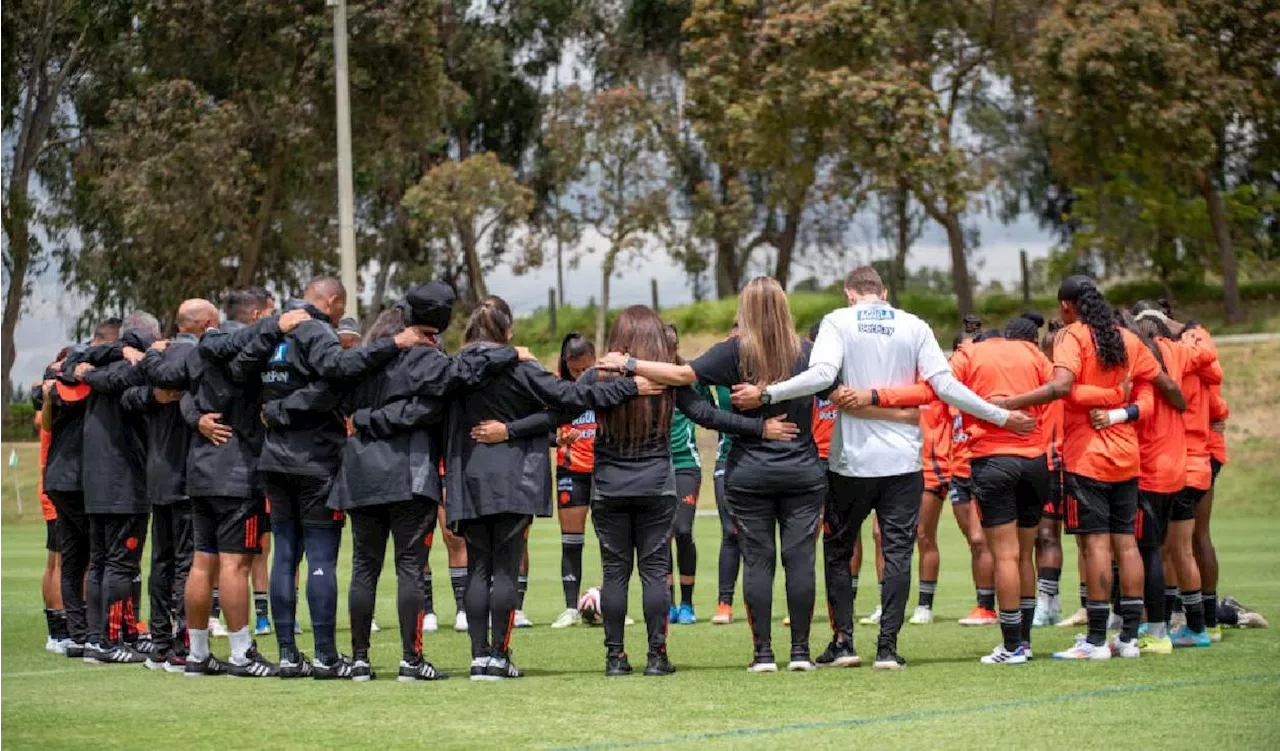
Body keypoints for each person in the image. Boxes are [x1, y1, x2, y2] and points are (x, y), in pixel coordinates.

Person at [742, 267, 1032, 671]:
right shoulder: (913, 324)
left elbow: (822, 375)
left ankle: (843, 642)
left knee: (840, 551)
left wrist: (768, 393)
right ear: (884, 292)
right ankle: (888, 648)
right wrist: (1000, 415)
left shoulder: (837, 321)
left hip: (851, 462)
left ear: (849, 294)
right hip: (903, 461)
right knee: (897, 553)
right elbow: (946, 387)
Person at [604, 278, 838, 673]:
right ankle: (800, 652)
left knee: (759, 562)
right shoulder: (808, 352)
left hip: (749, 473)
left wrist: (629, 363)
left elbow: (684, 383)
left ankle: (763, 655)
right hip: (802, 470)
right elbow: (839, 390)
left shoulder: (734, 351)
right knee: (800, 562)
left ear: (744, 309)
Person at [323, 282, 527, 681]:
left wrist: (367, 419)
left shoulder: (365, 356)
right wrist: (508, 352)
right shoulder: (430, 359)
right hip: (408, 475)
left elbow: (342, 397)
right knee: (410, 569)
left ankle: (360, 659)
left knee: (364, 567)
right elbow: (448, 391)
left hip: (360, 473)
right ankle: (410, 661)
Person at [448, 300, 653, 680]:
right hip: (514, 477)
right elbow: (575, 397)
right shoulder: (521, 369)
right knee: (505, 568)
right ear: (507, 334)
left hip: (468, 474)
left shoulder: (452, 370)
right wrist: (629, 387)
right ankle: (499, 656)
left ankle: (478, 658)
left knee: (478, 566)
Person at [247, 277, 428, 678]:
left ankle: (288, 654)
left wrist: (273, 412)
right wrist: (393, 344)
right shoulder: (314, 329)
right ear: (330, 302)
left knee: (284, 556)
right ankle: (327, 655)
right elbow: (339, 373)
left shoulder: (271, 332)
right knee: (322, 558)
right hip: (314, 459)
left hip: (273, 459)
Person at [996, 276, 1184, 661]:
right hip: (1127, 457)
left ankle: (1097, 641)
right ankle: (1128, 639)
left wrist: (1011, 402)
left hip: (1087, 457)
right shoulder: (1129, 340)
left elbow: (1062, 386)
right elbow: (1161, 387)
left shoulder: (1071, 337)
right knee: (1126, 544)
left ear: (1066, 306)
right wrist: (1119, 398)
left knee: (1094, 545)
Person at [178, 288, 304, 676]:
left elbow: (181, 391)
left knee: (203, 564)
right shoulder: (244, 347)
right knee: (236, 566)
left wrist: (194, 417)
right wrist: (278, 328)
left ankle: (198, 654)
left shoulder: (198, 351)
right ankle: (240, 653)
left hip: (201, 470)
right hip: (237, 472)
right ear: (253, 317)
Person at [948, 317, 1053, 664]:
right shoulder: (1031, 352)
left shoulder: (969, 355)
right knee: (1025, 555)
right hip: (1036, 460)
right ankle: (1023, 641)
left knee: (1005, 556)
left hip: (993, 461)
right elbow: (1057, 388)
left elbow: (942, 389)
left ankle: (1010, 647)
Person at [64, 311, 162, 664]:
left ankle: (102, 637)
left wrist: (87, 370)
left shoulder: (94, 361)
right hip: (125, 481)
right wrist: (124, 355)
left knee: (102, 563)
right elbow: (121, 374)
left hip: (96, 481)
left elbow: (71, 362)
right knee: (120, 564)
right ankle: (108, 640)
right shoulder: (138, 363)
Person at [132, 299, 220, 671]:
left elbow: (127, 392)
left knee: (161, 561)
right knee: (188, 562)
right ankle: (184, 643)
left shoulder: (158, 357)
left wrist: (150, 388)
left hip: (158, 474)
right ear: (206, 323)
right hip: (188, 475)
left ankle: (159, 643)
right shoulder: (199, 359)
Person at [42, 322, 117, 660]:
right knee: (95, 557)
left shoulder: (58, 380)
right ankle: (96, 631)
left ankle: (77, 632)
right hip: (82, 480)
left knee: (72, 558)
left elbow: (42, 399)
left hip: (58, 478)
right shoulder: (92, 382)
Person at [664, 323, 712, 626]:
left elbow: (708, 410)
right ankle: (667, 602)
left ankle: (688, 603)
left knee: (682, 529)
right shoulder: (647, 376)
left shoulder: (690, 377)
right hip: (654, 464)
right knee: (662, 534)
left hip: (685, 464)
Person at [550, 332, 597, 629]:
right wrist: (559, 437)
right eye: (575, 370)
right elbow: (544, 427)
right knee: (571, 541)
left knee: (611, 541)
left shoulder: (607, 380)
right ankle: (570, 608)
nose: (581, 376)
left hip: (605, 469)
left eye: (585, 370)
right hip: (571, 470)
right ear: (566, 365)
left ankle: (613, 602)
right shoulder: (555, 386)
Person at [33, 369, 69, 653]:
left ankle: (56, 629)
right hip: (57, 486)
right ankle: (59, 632)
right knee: (60, 561)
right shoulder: (53, 408)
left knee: (53, 561)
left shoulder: (48, 405)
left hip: (48, 485)